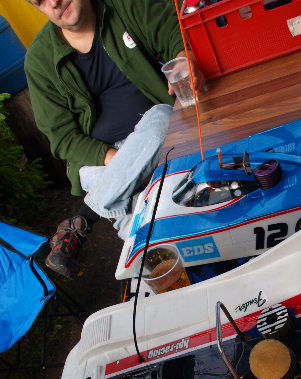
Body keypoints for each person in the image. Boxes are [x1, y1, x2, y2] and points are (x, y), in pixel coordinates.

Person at [24, 0, 205, 279]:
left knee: (161, 118)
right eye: (41, 2)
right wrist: (122, 162)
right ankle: (188, 277)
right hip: (100, 164)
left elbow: (171, 28)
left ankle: (84, 218)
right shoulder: (39, 59)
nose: (54, 2)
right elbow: (62, 138)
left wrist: (182, 58)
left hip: (156, 136)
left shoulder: (122, 6)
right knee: (143, 223)